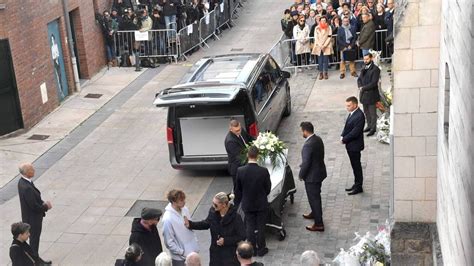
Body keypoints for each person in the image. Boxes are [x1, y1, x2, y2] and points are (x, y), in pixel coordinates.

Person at [185, 192, 245, 266]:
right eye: (212, 203)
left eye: (215, 204)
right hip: (215, 253)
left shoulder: (236, 217)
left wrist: (226, 240)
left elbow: (242, 236)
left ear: (224, 205)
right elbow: (206, 223)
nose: (213, 206)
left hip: (230, 255)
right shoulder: (213, 212)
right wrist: (191, 224)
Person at [234, 146, 271, 257]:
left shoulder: (240, 171)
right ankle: (261, 248)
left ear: (247, 155)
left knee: (249, 226)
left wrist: (239, 201)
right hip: (261, 203)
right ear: (258, 156)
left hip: (247, 203)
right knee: (261, 226)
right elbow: (268, 188)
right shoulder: (263, 171)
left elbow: (238, 189)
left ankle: (252, 249)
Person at [17, 163, 52, 264]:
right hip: (33, 219)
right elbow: (34, 207)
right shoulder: (26, 187)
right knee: (34, 241)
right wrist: (46, 206)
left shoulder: (23, 182)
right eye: (32, 169)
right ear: (27, 172)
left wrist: (42, 202)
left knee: (34, 241)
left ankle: (36, 260)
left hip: (29, 217)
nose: (34, 170)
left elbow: (33, 199)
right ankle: (36, 262)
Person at [299, 122, 327, 232]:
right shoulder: (318, 139)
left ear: (305, 131)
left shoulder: (307, 145)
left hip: (312, 177)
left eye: (302, 131)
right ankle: (314, 213)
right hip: (319, 172)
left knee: (314, 198)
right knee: (315, 196)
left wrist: (301, 175)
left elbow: (306, 163)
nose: (302, 133)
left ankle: (319, 223)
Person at [162, 189, 199, 266]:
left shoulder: (184, 209)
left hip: (192, 252)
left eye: (184, 199)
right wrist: (182, 252)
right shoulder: (167, 219)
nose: (184, 202)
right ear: (174, 201)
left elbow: (190, 227)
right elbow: (169, 242)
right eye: (181, 200)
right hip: (180, 258)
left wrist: (195, 243)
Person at [341, 96, 365, 195]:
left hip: (355, 146)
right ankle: (356, 184)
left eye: (349, 105)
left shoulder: (359, 116)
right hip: (350, 145)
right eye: (346, 105)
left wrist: (344, 139)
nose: (347, 107)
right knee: (354, 166)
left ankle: (359, 186)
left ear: (355, 105)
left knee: (357, 166)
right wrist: (342, 135)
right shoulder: (352, 113)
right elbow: (347, 126)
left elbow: (355, 132)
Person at [224, 120, 253, 190]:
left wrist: (259, 143)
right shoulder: (230, 141)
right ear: (230, 129)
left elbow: (250, 139)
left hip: (245, 164)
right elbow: (240, 157)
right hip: (238, 168)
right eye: (236, 131)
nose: (239, 132)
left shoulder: (241, 130)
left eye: (239, 129)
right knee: (239, 190)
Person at [358, 53, 380, 136]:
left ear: (371, 58)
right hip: (364, 94)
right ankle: (369, 125)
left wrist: (363, 88)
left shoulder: (375, 69)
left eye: (367, 59)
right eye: (364, 59)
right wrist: (360, 86)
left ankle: (373, 128)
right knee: (366, 112)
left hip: (371, 95)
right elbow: (359, 79)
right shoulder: (364, 68)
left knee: (372, 113)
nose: (365, 61)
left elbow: (374, 83)